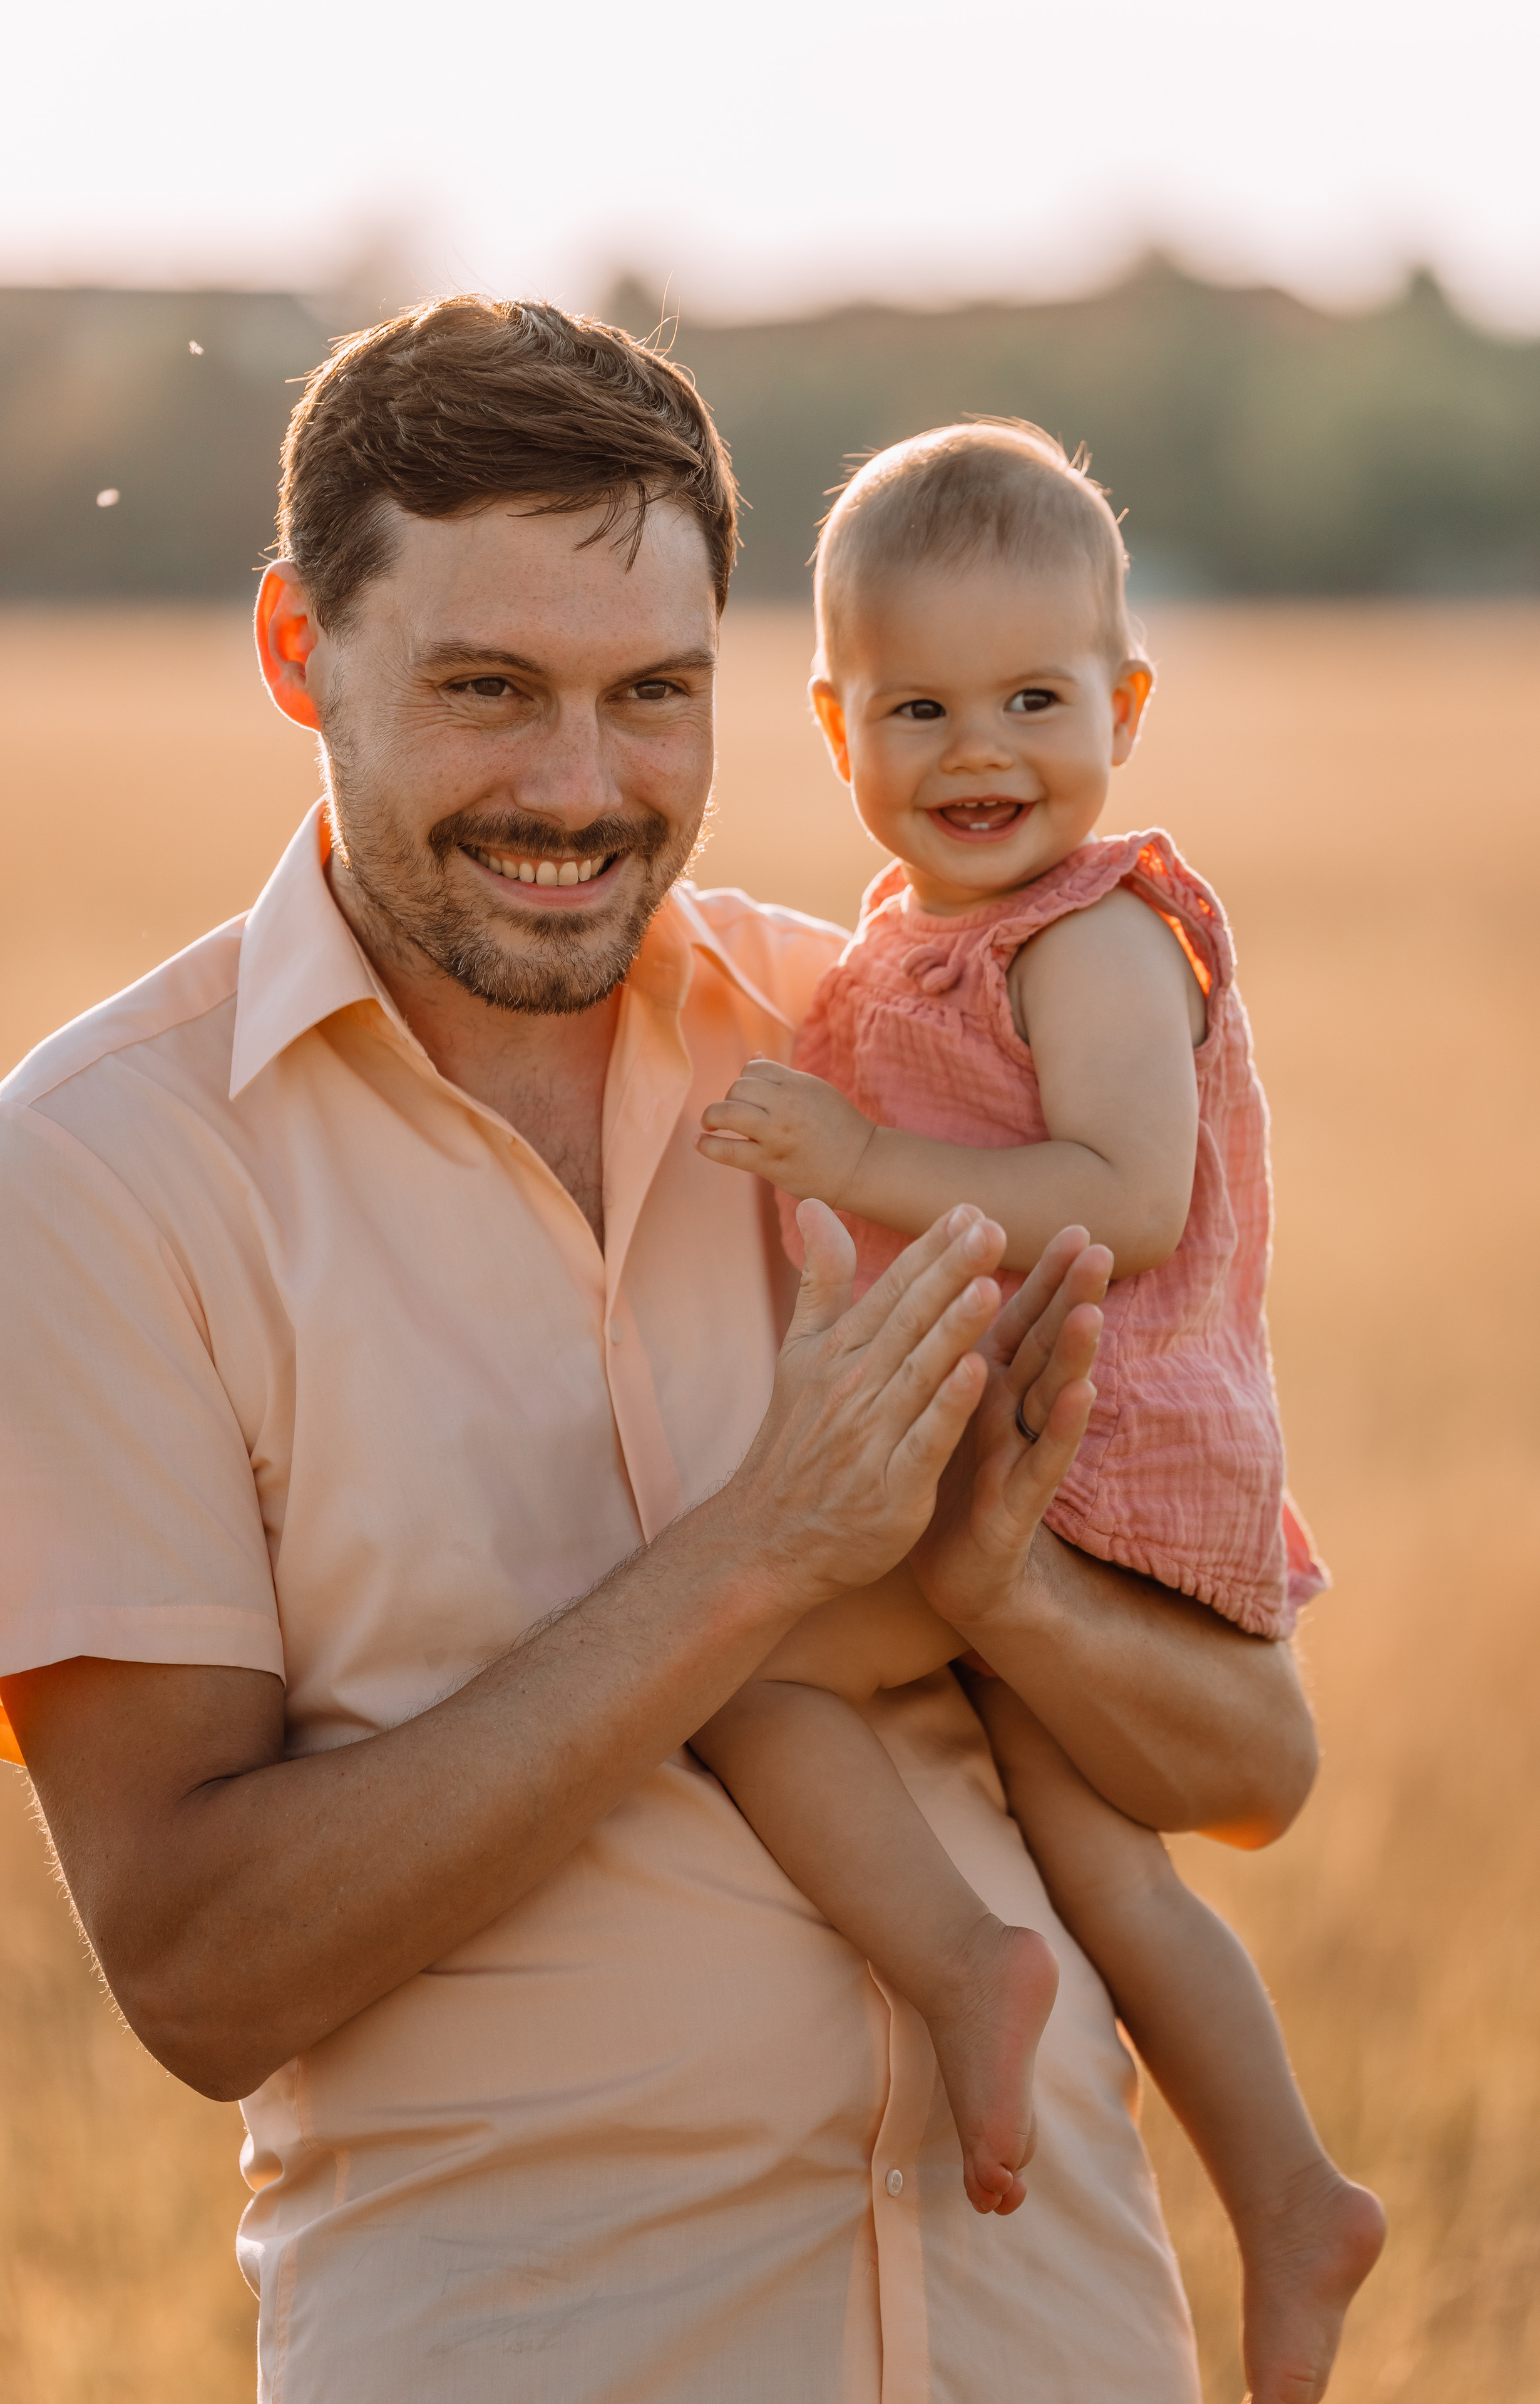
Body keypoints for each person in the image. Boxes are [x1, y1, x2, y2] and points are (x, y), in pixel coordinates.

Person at [0, 300, 1320, 2404]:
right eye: (487, 689)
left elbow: (1256, 1771)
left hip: (1056, 2341)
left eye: (653, 696)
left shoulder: (873, 1050)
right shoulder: (105, 1173)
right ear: (298, 651)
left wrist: (1003, 1593)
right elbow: (196, 1971)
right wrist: (763, 1553)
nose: (578, 787)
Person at [692, 423, 1385, 2403]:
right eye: (918, 707)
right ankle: (1289, 2192)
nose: (977, 749)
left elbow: (1126, 1195)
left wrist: (853, 1159)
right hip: (1025, 1455)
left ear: (1126, 708)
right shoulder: (909, 940)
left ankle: (952, 1959)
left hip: (1090, 1457)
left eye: (1034, 700)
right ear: (834, 727)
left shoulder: (1092, 933)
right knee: (1107, 1866)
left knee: (743, 1671)